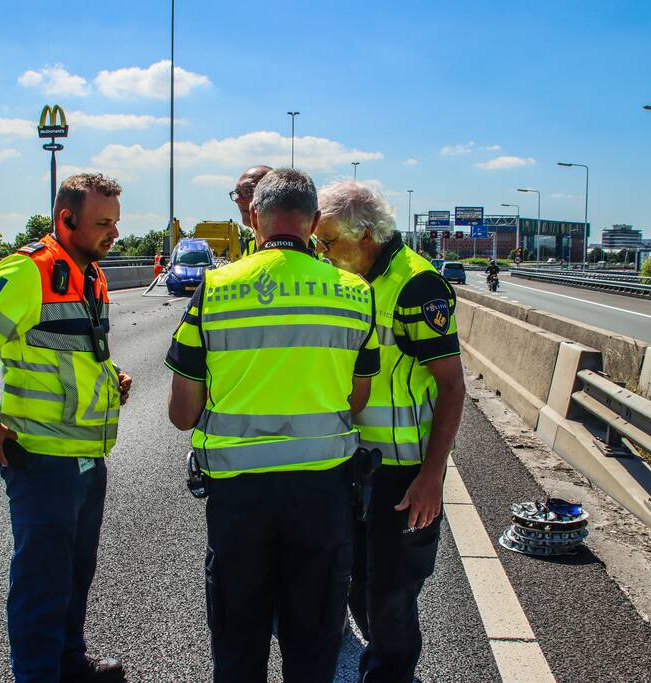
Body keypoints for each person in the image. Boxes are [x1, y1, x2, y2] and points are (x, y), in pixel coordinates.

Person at [167, 169, 381, 683]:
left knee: (238, 644)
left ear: (255, 218)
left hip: (238, 498)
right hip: (323, 492)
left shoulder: (215, 288)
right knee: (313, 645)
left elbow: (182, 414)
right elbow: (358, 397)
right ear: (312, 222)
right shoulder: (354, 293)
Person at [0, 173, 131, 683]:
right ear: (65, 219)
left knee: (75, 572)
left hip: (88, 455)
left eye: (116, 221)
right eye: (102, 223)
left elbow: (73, 353)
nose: (114, 233)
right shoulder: (28, 272)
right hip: (42, 459)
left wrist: (111, 377)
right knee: (41, 582)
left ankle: (69, 661)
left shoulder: (89, 273)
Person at [316, 181, 466, 683]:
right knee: (356, 582)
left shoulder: (417, 285)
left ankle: (391, 673)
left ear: (364, 234)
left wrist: (433, 477)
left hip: (403, 473)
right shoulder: (351, 280)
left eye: (329, 241)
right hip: (354, 465)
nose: (323, 252)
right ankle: (380, 661)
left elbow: (452, 386)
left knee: (394, 590)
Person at [229, 165, 272, 257]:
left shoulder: (305, 246)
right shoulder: (251, 247)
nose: (238, 200)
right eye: (237, 192)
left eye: (247, 190)